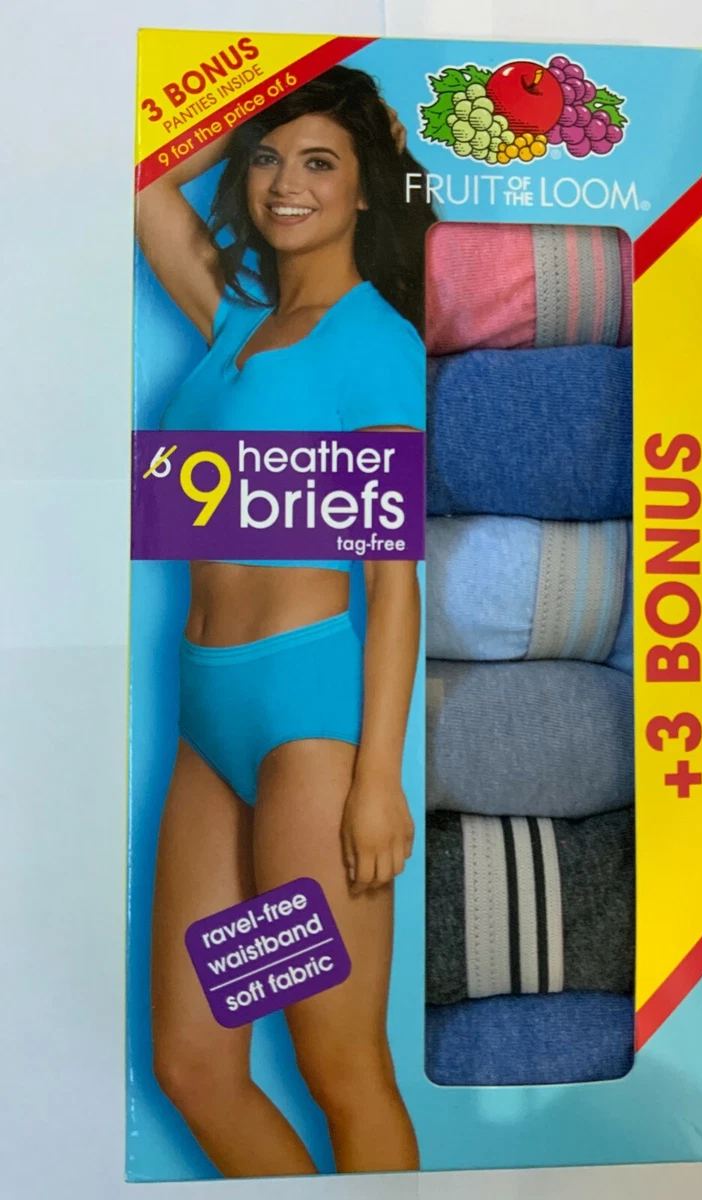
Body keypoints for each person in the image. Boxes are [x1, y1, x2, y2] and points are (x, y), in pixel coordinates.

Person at [135, 66, 435, 1178]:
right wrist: (270, 90)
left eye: (320, 163)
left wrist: (377, 780)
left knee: (342, 1069)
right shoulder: (233, 323)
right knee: (196, 1065)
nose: (284, 183)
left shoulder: (376, 344)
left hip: (309, 731)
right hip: (207, 722)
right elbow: (146, 186)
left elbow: (394, 582)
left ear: (364, 188)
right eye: (269, 158)